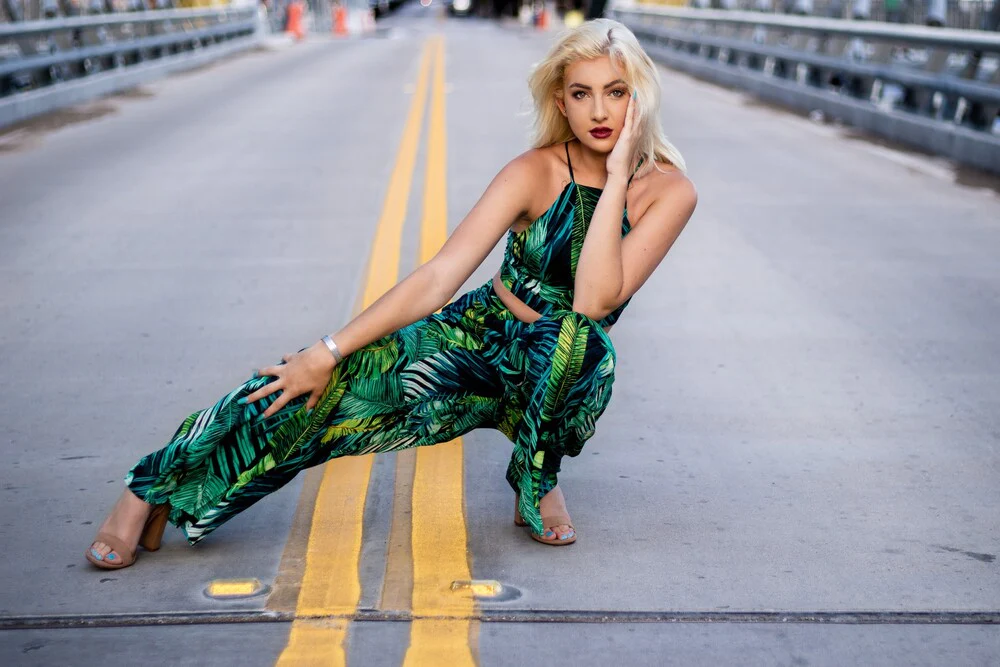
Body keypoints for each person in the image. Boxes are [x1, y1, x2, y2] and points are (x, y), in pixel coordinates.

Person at [86, 18, 698, 569]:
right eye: (581, 93)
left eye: (616, 93)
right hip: (479, 339)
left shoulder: (667, 191)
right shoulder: (533, 171)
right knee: (314, 389)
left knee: (578, 340)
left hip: (559, 364)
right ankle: (152, 487)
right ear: (560, 102)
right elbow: (438, 277)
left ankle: (536, 475)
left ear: (639, 100)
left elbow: (593, 301)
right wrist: (327, 351)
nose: (600, 110)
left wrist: (617, 175)